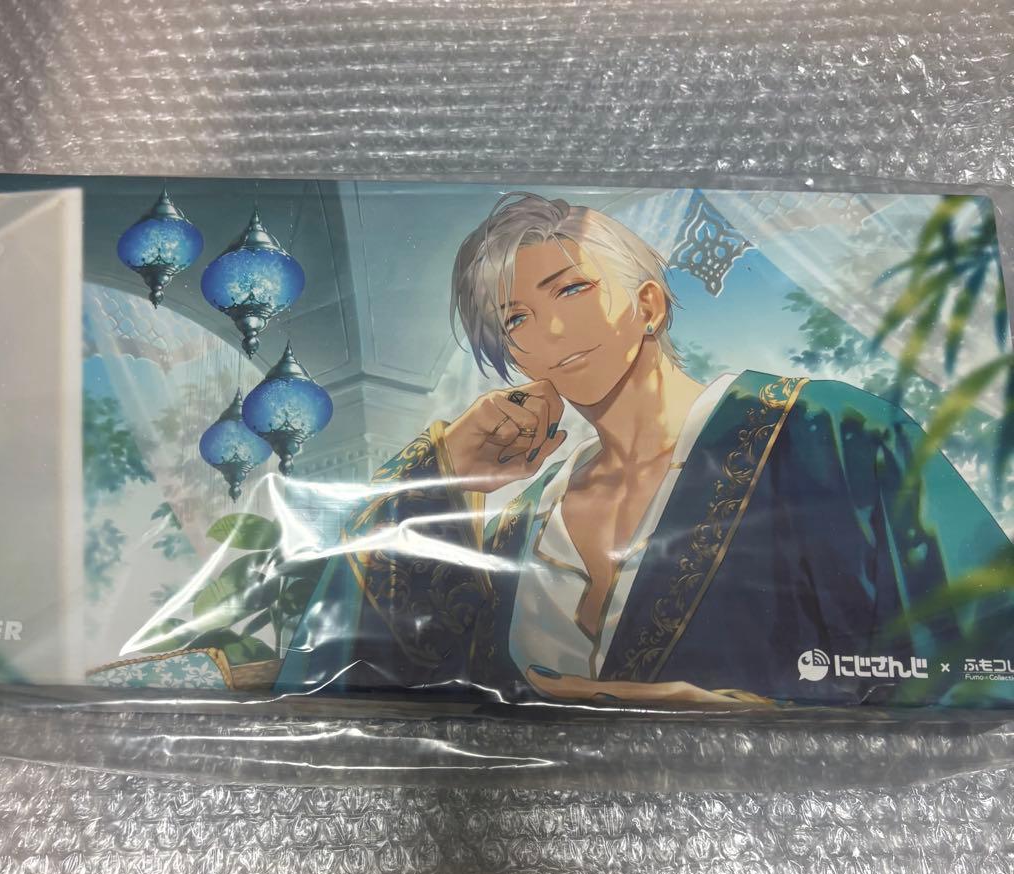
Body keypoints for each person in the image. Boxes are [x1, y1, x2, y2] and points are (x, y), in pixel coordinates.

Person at [274, 193, 1014, 709]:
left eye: (571, 290)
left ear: (649, 303)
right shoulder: (522, 526)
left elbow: (987, 653)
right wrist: (440, 469)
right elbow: (361, 675)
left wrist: (743, 714)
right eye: (516, 319)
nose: (549, 333)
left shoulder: (829, 432)